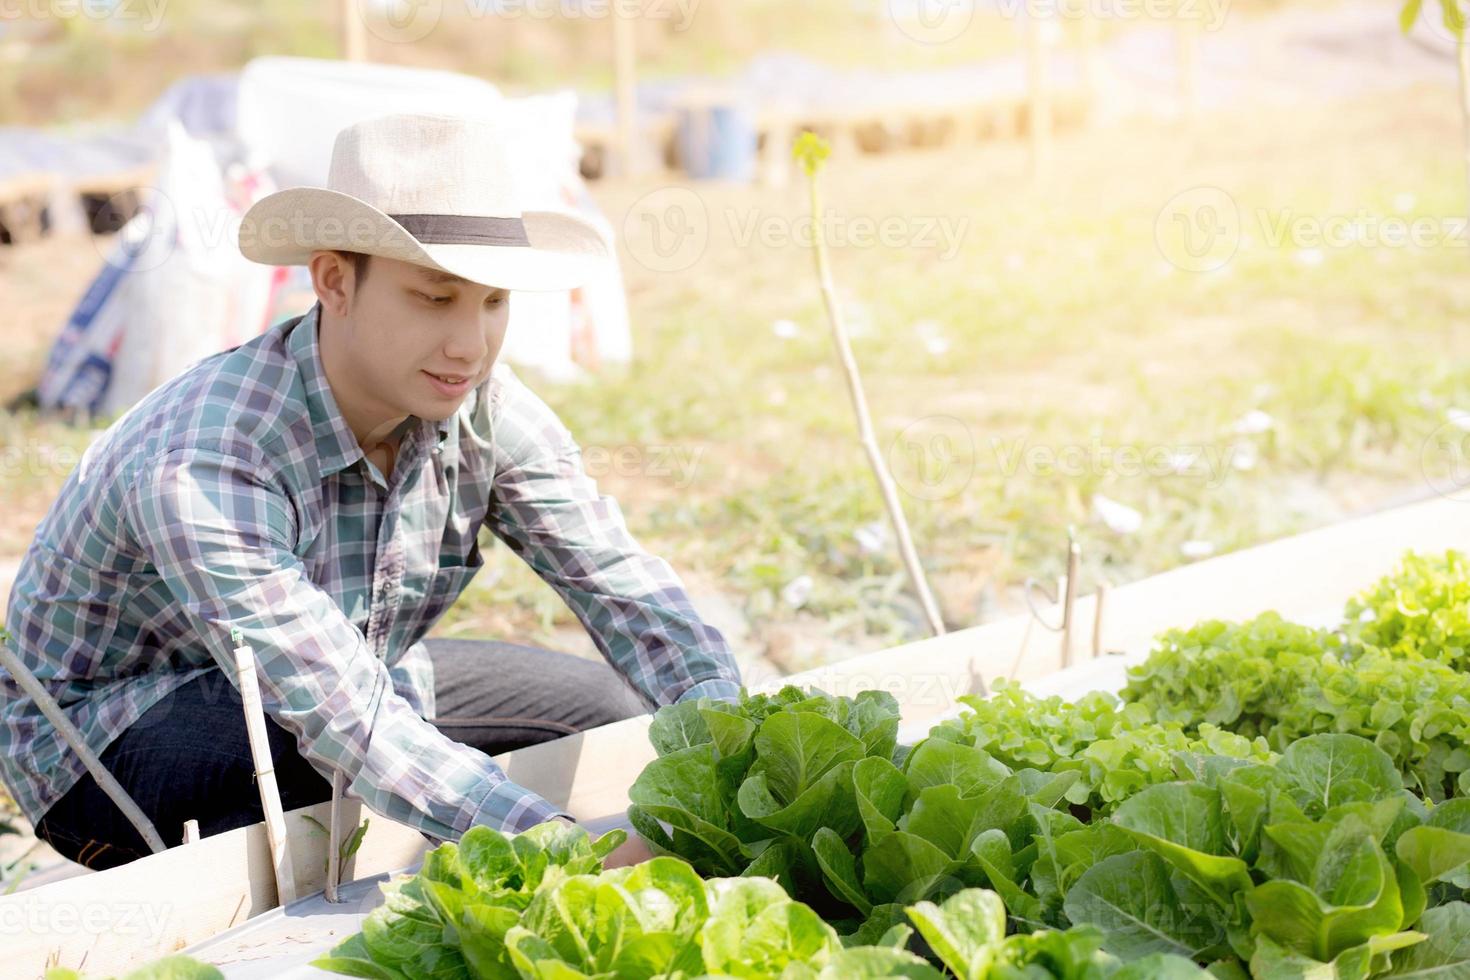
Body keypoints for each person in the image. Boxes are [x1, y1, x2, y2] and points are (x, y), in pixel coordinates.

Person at [0, 112, 741, 871]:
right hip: (107, 743)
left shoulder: (485, 404)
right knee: (332, 794)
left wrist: (740, 759)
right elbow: (336, 708)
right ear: (333, 281)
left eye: (493, 304)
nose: (470, 344)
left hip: (350, 673)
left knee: (604, 718)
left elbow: (622, 586)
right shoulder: (212, 453)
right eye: (434, 297)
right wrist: (559, 847)